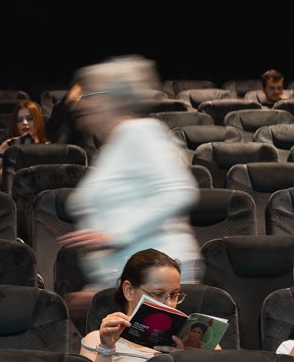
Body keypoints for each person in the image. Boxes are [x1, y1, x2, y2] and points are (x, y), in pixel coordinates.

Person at [61, 57, 200, 311]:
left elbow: (179, 191)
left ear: (112, 99)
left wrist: (114, 236)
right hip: (129, 286)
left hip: (155, 284)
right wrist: (97, 291)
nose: (80, 104)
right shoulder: (113, 146)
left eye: (88, 95)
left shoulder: (140, 132)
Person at [0, 100, 48, 178]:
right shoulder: (9, 147)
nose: (24, 123)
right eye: (19, 120)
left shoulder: (48, 147)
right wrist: (3, 148)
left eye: (29, 118)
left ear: (37, 121)